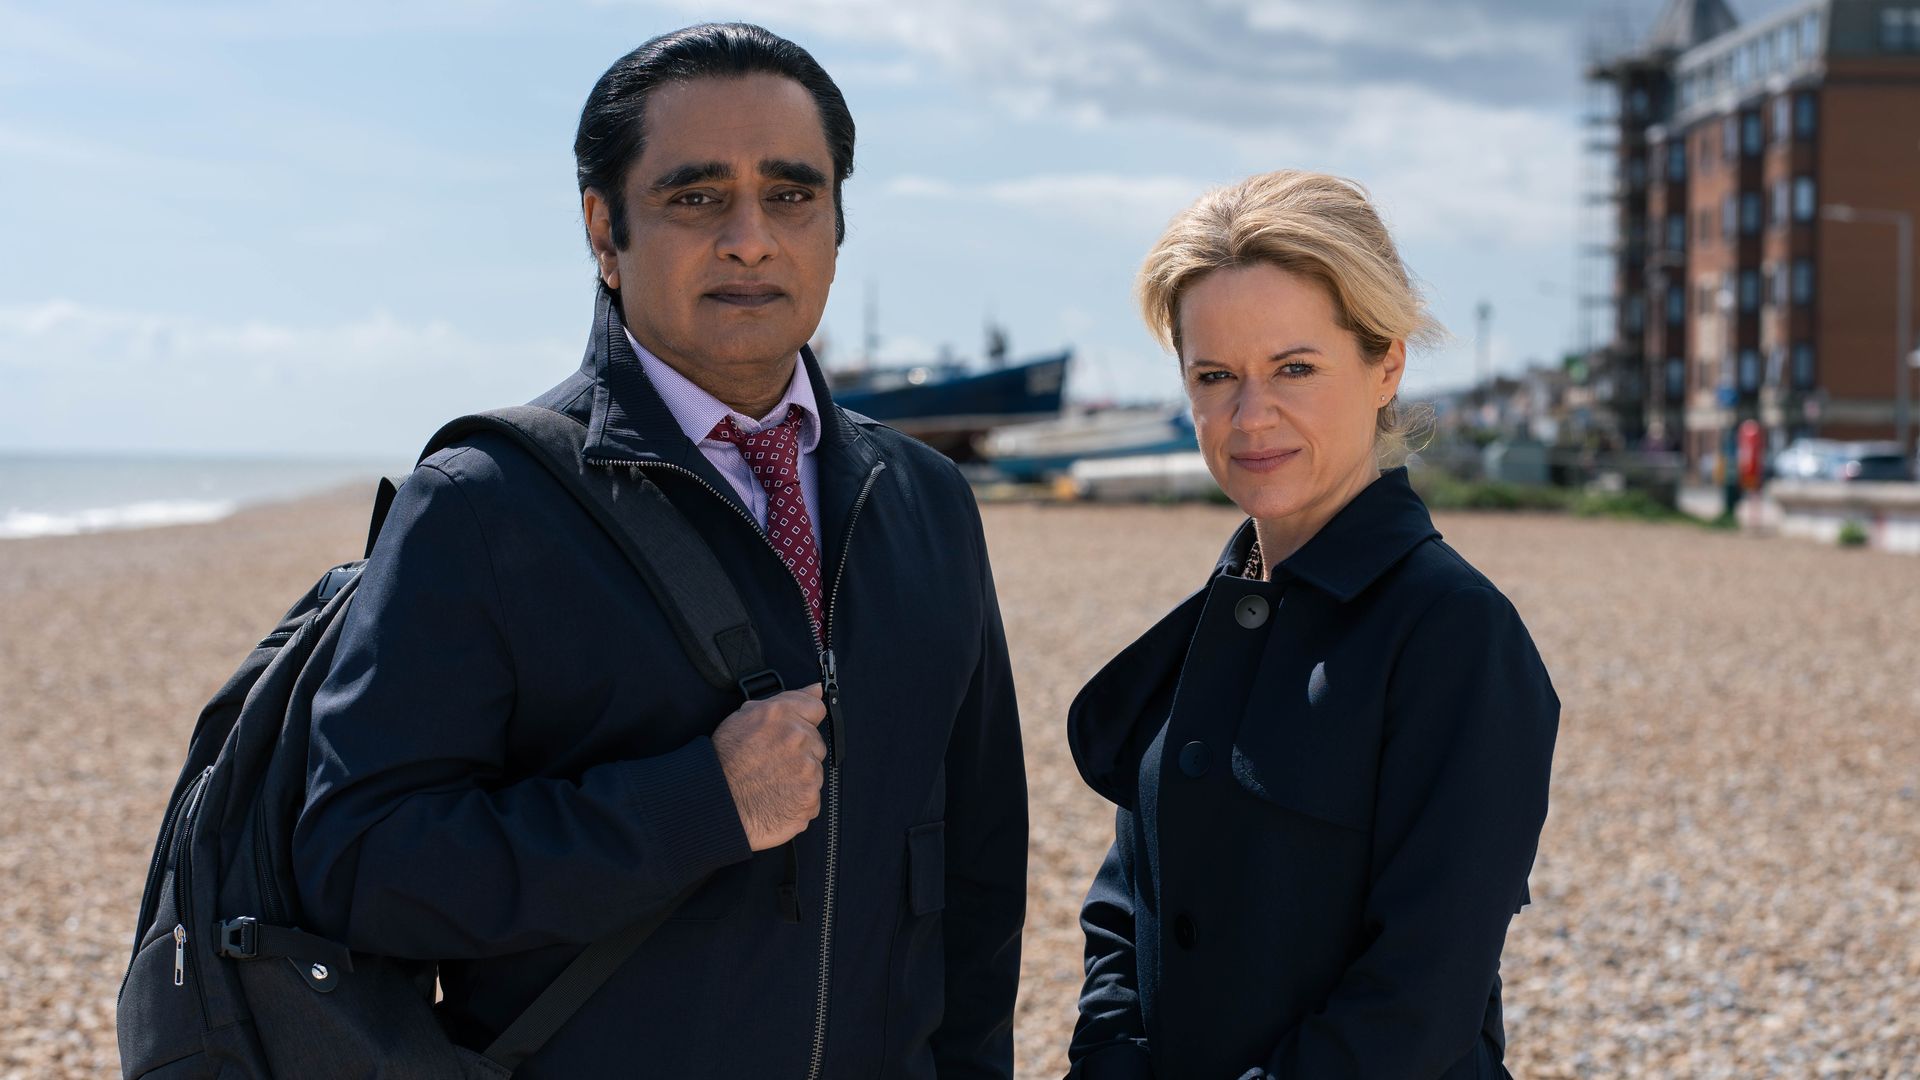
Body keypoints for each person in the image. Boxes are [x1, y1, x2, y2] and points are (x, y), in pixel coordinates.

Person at [292, 24, 1027, 1079]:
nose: (749, 238)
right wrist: (693, 807)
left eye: (791, 194)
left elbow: (979, 869)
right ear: (604, 230)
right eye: (695, 198)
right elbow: (361, 868)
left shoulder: (926, 500)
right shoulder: (485, 505)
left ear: (836, 222)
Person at [1065, 170, 1559, 1079]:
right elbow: (1125, 912)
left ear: (1387, 365)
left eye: (1295, 367)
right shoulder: (1216, 618)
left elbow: (1419, 998)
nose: (1252, 417)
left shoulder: (1456, 635)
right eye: (1216, 376)